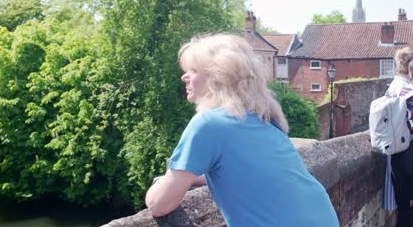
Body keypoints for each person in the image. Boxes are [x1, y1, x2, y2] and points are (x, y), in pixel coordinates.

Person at [145, 33, 339, 226]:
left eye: (193, 70)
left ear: (218, 77)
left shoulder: (208, 124)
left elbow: (159, 204)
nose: (184, 76)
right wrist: (198, 178)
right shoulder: (265, 119)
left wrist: (157, 187)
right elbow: (250, 170)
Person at [389, 48, 413, 227]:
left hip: (396, 153)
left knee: (403, 205)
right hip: (409, 151)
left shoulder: (393, 88)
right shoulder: (407, 91)